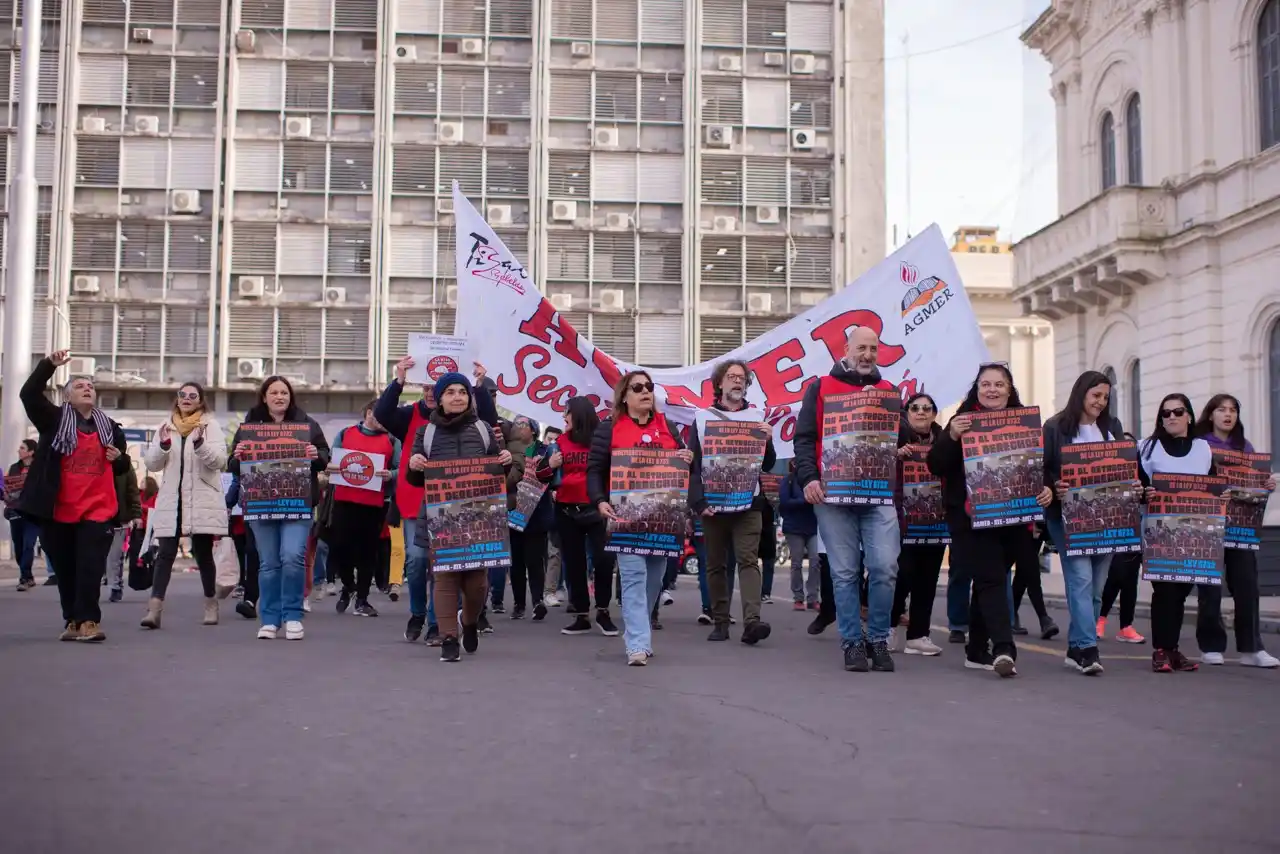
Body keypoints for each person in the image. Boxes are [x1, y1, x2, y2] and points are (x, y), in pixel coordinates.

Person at [927, 363, 1053, 678]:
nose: (992, 390)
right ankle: (1003, 648)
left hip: (1014, 518)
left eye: (999, 384)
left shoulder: (1024, 422)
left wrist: (1048, 488)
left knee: (992, 579)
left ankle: (975, 649)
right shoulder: (961, 421)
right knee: (990, 579)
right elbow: (936, 465)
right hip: (971, 517)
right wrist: (952, 436)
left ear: (1010, 390)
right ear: (977, 388)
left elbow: (1042, 466)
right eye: (986, 384)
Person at [793, 326, 901, 672]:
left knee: (885, 567)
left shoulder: (889, 391)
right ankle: (852, 642)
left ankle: (878, 639)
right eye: (861, 348)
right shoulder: (821, 388)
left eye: (873, 348)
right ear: (846, 349)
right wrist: (809, 478)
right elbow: (805, 438)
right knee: (844, 573)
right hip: (833, 495)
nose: (867, 354)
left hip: (877, 494)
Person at [375, 356, 500, 645]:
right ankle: (418, 613)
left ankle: (438, 625)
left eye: (455, 389)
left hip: (462, 505)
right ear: (424, 389)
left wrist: (480, 384)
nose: (436, 392)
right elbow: (382, 413)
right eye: (432, 387)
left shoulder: (474, 421)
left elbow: (489, 421)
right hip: (416, 499)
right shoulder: (411, 417)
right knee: (418, 562)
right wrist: (399, 379)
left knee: (445, 566)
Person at [18, 350, 132, 642]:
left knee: (91, 567)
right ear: (67, 397)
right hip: (59, 510)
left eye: (90, 386)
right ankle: (72, 619)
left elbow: (122, 465)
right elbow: (29, 394)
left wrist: (119, 457)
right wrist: (48, 366)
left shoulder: (110, 428)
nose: (87, 388)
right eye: (79, 386)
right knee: (66, 569)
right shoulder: (53, 420)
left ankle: (89, 621)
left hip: (98, 509)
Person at [405, 372, 513, 662]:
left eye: (462, 392)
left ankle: (469, 622)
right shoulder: (425, 433)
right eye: (450, 392)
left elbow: (498, 474)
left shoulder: (483, 429)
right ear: (439, 398)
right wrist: (414, 465)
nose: (456, 397)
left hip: (479, 517)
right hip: (440, 516)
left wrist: (505, 461)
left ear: (469, 397)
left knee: (477, 583)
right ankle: (448, 637)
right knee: (444, 578)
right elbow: (414, 479)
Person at [588, 371, 693, 665]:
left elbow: (683, 467)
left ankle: (639, 630)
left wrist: (688, 458)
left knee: (654, 581)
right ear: (624, 396)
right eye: (638, 387)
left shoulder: (668, 427)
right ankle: (637, 642)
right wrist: (599, 501)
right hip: (625, 518)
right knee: (633, 577)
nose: (645, 391)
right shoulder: (608, 429)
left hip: (662, 520)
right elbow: (595, 469)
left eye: (649, 387)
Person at [228, 375, 330, 641]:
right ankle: (270, 619)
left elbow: (324, 456)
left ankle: (293, 616)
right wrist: (237, 456)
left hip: (297, 503)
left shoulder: (306, 424)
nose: (279, 397)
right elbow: (234, 465)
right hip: (261, 504)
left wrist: (315, 456)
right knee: (269, 563)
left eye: (284, 392)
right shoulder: (249, 426)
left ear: (290, 396)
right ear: (264, 397)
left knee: (293, 557)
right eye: (274, 392)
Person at [688, 360, 777, 645]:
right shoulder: (703, 418)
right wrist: (699, 501)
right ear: (720, 384)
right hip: (713, 505)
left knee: (748, 560)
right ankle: (721, 621)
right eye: (732, 377)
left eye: (742, 378)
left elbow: (769, 463)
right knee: (715, 564)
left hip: (748, 503)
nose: (738, 381)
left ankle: (752, 622)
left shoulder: (756, 417)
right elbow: (694, 464)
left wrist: (768, 440)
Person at [1043, 370, 1126, 675]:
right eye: (1096, 395)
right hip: (1067, 518)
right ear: (1081, 394)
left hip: (1107, 519)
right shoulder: (1054, 427)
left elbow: (1123, 466)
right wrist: (1055, 486)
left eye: (1105, 397)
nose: (1101, 402)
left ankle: (1077, 646)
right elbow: (1041, 468)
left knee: (1096, 588)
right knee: (1080, 579)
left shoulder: (1113, 427)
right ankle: (1089, 649)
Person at [1193, 394, 1279, 668]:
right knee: (1210, 588)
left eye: (1233, 410)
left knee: (1247, 586)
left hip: (1242, 527)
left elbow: (1253, 485)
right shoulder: (1199, 446)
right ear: (1211, 414)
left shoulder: (1246, 447)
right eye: (1222, 410)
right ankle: (1211, 646)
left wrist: (1266, 485)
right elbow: (1190, 481)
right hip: (1208, 525)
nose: (1228, 415)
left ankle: (1252, 648)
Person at [139, 382, 228, 628]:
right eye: (182, 395)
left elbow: (220, 461)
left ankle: (211, 603)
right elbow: (152, 463)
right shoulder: (166, 427)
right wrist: (163, 445)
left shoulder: (210, 426)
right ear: (177, 399)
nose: (187, 399)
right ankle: (154, 610)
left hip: (200, 500)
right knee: (165, 553)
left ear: (200, 401)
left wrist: (200, 445)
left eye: (193, 396)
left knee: (202, 554)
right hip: (172, 500)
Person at [1138, 393, 1212, 673]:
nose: (1171, 417)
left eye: (1177, 412)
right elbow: (1138, 486)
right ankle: (1160, 650)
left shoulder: (1204, 449)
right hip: (1159, 530)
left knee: (1181, 590)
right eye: (1165, 413)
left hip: (1194, 531)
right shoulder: (1147, 448)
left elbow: (1212, 484)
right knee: (1165, 588)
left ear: (1189, 416)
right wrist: (1146, 493)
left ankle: (1172, 649)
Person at [544, 396, 620, 637]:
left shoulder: (601, 439)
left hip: (597, 509)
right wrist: (551, 464)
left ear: (578, 415)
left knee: (603, 561)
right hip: (567, 510)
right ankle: (581, 615)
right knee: (574, 564)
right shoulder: (559, 442)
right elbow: (541, 476)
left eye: (566, 413)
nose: (563, 417)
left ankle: (603, 611)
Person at [327, 400, 399, 619]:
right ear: (369, 413)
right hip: (344, 500)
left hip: (374, 504)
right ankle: (348, 585)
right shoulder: (345, 433)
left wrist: (390, 475)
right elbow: (330, 461)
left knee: (368, 552)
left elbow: (399, 468)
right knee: (339, 547)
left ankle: (362, 599)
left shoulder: (391, 440)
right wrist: (332, 467)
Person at [889, 393, 947, 656]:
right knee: (902, 574)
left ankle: (918, 635)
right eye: (915, 408)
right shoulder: (896, 438)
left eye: (927, 408)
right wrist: (895, 455)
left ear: (934, 413)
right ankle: (888, 627)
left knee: (928, 578)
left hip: (937, 520)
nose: (921, 412)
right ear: (907, 412)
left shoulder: (946, 441)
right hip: (903, 518)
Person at [506, 415, 555, 621]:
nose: (518, 428)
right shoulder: (507, 451)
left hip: (536, 513)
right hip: (514, 511)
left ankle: (537, 601)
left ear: (533, 430)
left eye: (523, 424)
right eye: (516, 424)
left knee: (535, 560)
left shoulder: (544, 451)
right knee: (516, 561)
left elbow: (550, 477)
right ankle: (519, 604)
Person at [779, 458, 819, 611]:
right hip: (794, 527)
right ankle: (798, 597)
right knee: (796, 563)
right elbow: (784, 501)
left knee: (816, 561)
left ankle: (813, 597)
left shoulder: (815, 480)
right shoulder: (788, 481)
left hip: (813, 525)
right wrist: (804, 501)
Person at [5, 439, 39, 591]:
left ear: (31, 452)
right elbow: (8, 487)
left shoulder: (39, 468)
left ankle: (24, 578)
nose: (19, 450)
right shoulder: (14, 468)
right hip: (15, 511)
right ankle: (28, 575)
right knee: (18, 547)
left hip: (32, 513)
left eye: (22, 448)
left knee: (28, 545)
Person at [105, 464, 141, 603]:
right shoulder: (97, 461)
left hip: (120, 517)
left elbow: (132, 491)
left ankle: (115, 586)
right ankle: (97, 584)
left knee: (115, 555)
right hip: (97, 515)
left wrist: (136, 514)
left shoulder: (125, 465)